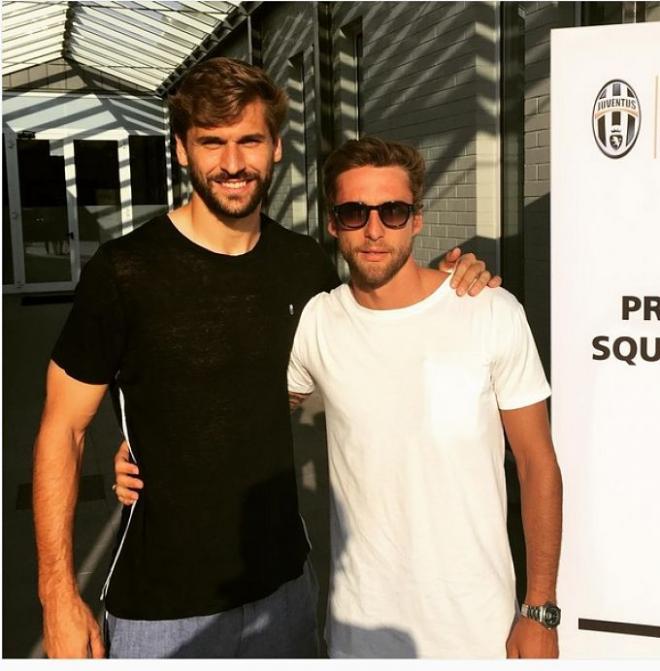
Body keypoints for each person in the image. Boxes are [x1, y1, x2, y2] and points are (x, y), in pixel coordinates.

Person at [32, 58, 499, 660]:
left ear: (277, 147)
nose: (232, 163)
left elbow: (369, 335)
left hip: (285, 592)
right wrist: (58, 596)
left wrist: (463, 282)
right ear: (180, 149)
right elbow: (60, 429)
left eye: (249, 140)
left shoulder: (305, 266)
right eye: (212, 142)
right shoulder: (123, 272)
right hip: (160, 607)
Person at [119, 136, 561, 658]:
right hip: (358, 630)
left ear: (417, 219)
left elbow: (537, 466)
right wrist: (152, 443)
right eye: (354, 213)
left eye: (392, 211)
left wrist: (539, 611)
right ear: (333, 224)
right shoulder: (319, 320)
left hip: (477, 628)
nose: (374, 230)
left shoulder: (490, 311)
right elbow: (244, 408)